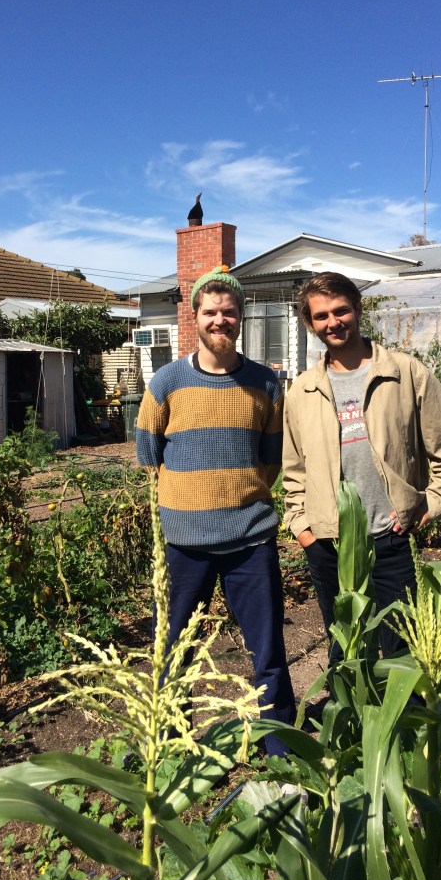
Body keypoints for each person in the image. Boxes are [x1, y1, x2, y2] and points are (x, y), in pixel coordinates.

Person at [136, 266, 296, 756]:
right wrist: (191, 498)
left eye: (229, 312)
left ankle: (281, 748)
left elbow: (272, 457)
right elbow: (148, 451)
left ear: (241, 317)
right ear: (195, 316)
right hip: (185, 543)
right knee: (174, 653)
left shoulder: (266, 384)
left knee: (267, 651)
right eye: (211, 312)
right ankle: (171, 743)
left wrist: (238, 495)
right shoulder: (167, 382)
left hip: (250, 539)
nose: (220, 320)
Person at [282, 272, 441, 661]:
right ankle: (352, 722)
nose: (332, 322)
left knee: (403, 648)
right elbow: (294, 469)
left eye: (341, 311)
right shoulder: (301, 390)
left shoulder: (404, 372)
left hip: (390, 537)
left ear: (357, 309)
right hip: (328, 542)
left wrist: (432, 502)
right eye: (321, 316)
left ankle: (402, 721)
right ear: (310, 323)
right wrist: (302, 527)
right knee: (347, 651)